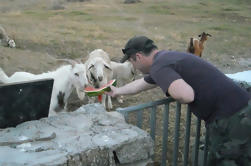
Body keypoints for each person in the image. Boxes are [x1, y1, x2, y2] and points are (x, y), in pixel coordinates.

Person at [106, 36, 251, 166]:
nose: (134, 67)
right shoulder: (166, 58)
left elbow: (186, 95)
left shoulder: (159, 66)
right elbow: (142, 84)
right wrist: (117, 91)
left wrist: (172, 89)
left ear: (138, 57)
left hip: (232, 119)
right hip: (242, 108)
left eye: (132, 62)